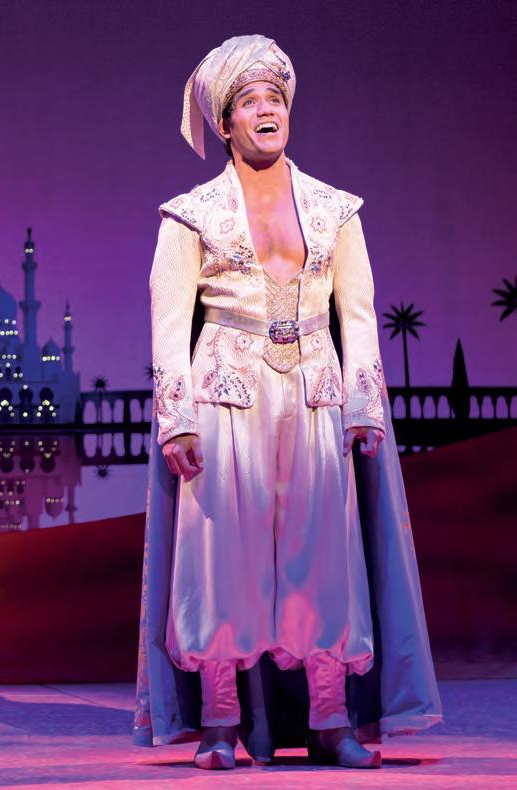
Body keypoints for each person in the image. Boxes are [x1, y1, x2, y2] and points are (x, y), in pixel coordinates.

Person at [133, 34, 442, 771]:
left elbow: (358, 315)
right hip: (225, 391)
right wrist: (175, 420)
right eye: (249, 101)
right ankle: (219, 721)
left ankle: (331, 720)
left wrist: (364, 407)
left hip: (313, 392)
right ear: (225, 122)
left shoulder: (336, 210)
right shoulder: (191, 215)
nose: (266, 109)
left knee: (322, 556)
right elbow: (168, 322)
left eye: (275, 97)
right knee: (221, 559)